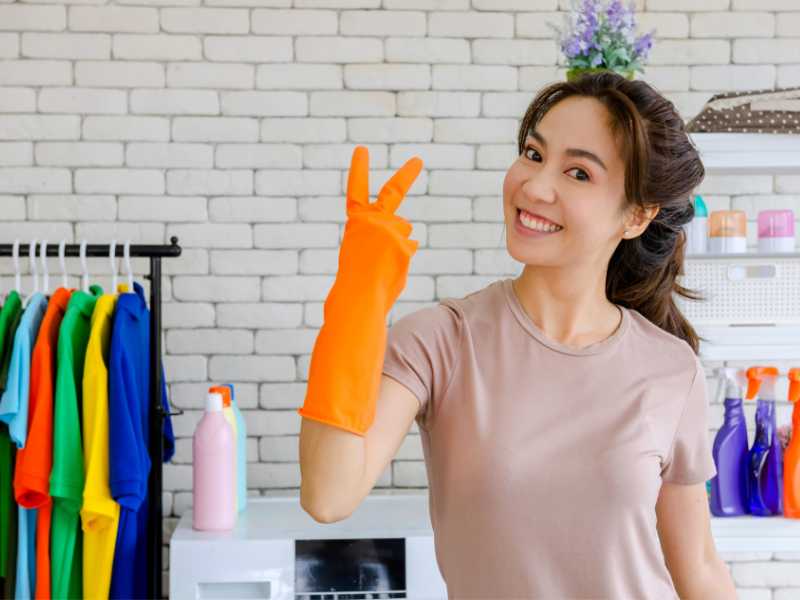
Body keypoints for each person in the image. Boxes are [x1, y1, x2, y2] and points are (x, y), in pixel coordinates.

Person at [297, 71, 738, 599]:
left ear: (638, 215)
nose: (534, 186)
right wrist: (356, 298)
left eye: (578, 173)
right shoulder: (442, 342)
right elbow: (328, 495)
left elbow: (699, 568)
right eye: (533, 154)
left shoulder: (670, 368)